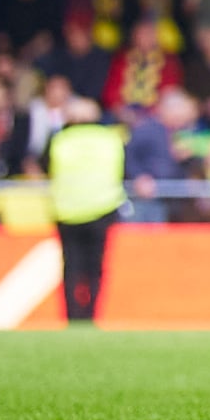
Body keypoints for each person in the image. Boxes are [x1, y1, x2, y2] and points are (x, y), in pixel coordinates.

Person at [46, 93, 123, 325]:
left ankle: (72, 317)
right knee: (95, 268)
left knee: (71, 268)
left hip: (67, 211)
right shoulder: (110, 139)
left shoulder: (60, 140)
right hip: (102, 208)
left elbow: (47, 168)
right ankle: (91, 314)